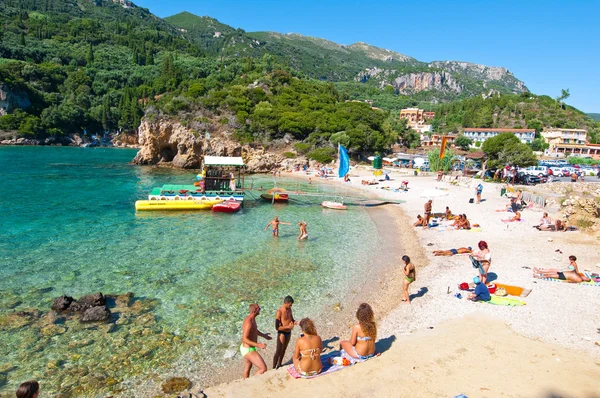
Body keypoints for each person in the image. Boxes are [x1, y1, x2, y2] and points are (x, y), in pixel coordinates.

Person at [240, 304, 272, 378]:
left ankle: (245, 383)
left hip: (247, 348)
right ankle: (251, 382)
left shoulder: (252, 319)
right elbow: (244, 339)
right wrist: (258, 345)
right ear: (255, 310)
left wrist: (264, 335)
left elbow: (254, 330)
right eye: (259, 308)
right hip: (248, 349)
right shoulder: (249, 323)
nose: (260, 309)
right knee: (263, 368)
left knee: (248, 366)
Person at [273, 296, 298, 369]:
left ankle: (280, 364)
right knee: (278, 351)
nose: (291, 306)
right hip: (282, 333)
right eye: (290, 304)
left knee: (284, 350)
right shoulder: (279, 312)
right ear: (286, 303)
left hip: (289, 332)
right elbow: (277, 327)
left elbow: (292, 319)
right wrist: (288, 327)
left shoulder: (289, 309)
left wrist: (296, 322)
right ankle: (273, 367)